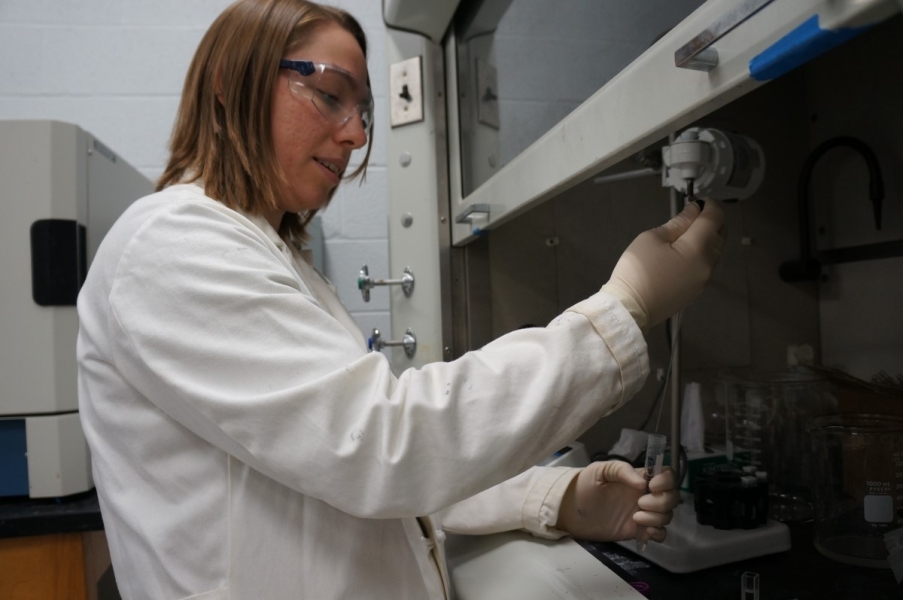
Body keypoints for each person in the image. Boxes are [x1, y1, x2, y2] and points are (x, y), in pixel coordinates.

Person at [76, 1, 725, 598]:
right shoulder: (173, 245)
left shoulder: (270, 256)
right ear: (229, 82)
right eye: (329, 95)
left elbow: (339, 478)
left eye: (362, 112)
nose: (356, 135)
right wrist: (623, 309)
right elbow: (383, 447)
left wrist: (553, 498)